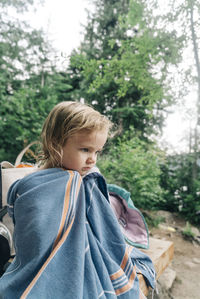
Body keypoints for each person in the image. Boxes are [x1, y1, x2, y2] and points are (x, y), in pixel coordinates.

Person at [0, 101, 155, 298]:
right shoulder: (34, 186)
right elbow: (34, 240)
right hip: (44, 266)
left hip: (87, 255)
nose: (93, 159)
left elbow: (102, 229)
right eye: (85, 150)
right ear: (55, 144)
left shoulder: (86, 181)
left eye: (97, 151)